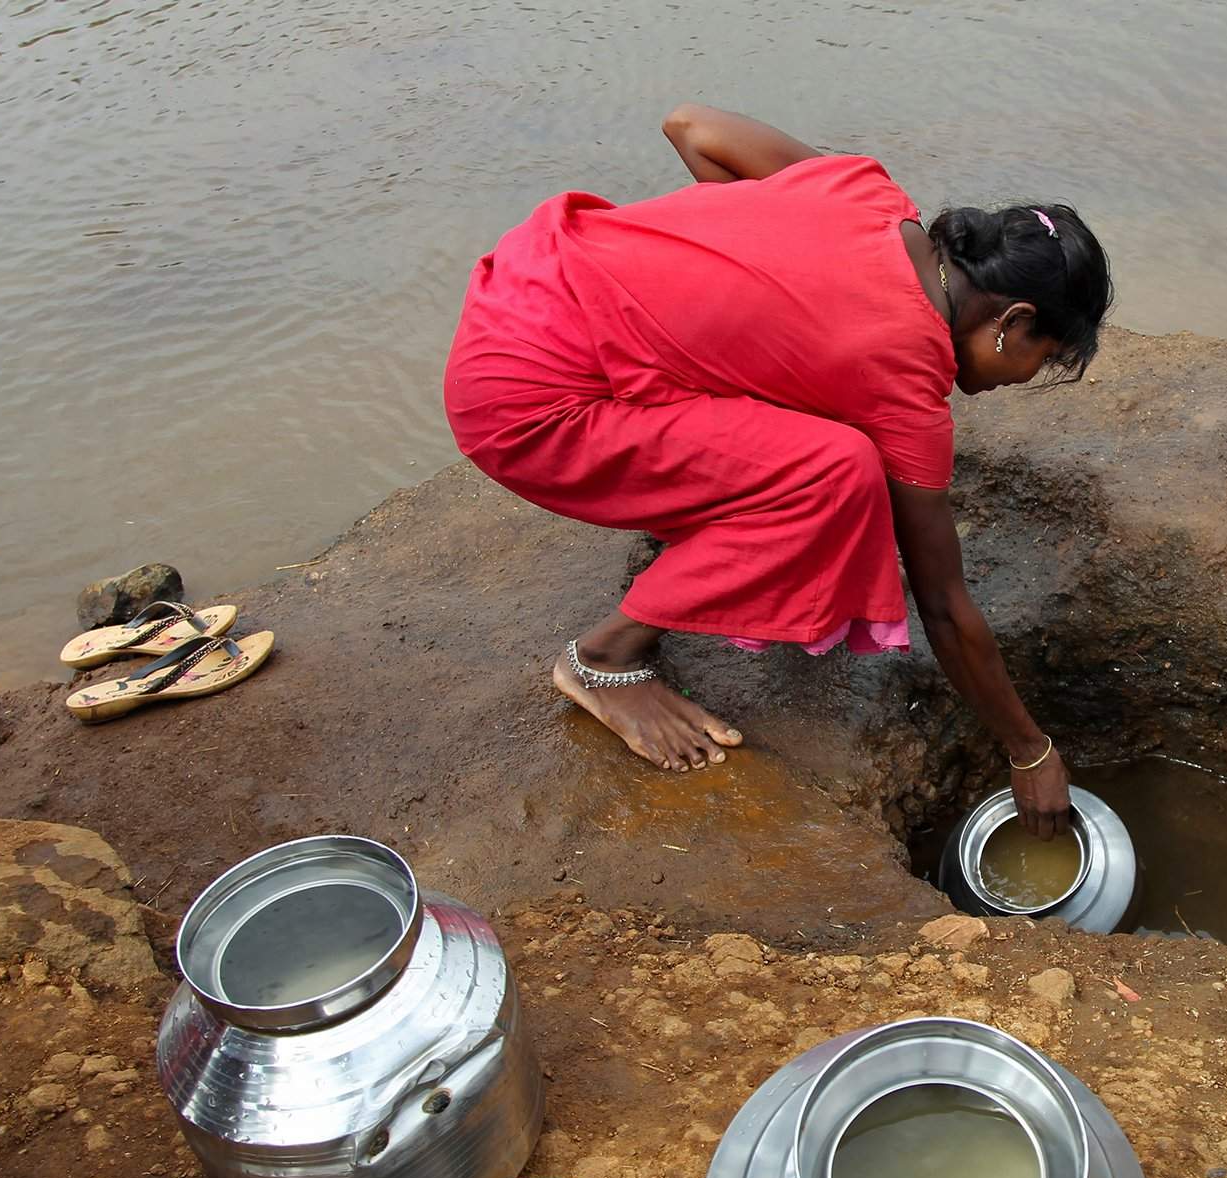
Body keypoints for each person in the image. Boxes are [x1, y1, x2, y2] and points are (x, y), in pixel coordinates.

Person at [443, 104, 1111, 838]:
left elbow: (691, 127)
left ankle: (698, 529)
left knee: (807, 416)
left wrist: (746, 260)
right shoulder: (903, 377)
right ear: (1011, 321)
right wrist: (1029, 749)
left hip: (523, 281)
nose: (1026, 377)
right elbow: (945, 605)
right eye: (1042, 359)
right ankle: (603, 659)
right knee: (836, 470)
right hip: (525, 402)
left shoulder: (866, 191)